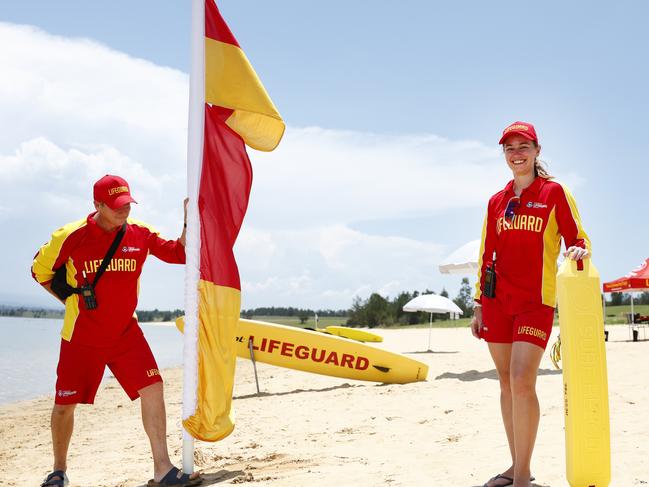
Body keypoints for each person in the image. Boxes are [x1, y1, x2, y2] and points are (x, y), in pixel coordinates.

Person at [31, 175, 202, 487]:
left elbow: (179, 253)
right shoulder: (70, 236)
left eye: (127, 204)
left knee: (153, 388)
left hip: (125, 332)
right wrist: (69, 297)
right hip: (81, 336)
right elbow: (39, 270)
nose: (124, 211)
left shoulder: (140, 234)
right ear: (97, 205)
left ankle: (162, 468)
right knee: (64, 405)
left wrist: (189, 222)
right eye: (116, 206)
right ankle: (58, 471)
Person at [470, 122, 590, 487]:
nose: (516, 153)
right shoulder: (496, 201)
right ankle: (514, 465)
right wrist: (478, 303)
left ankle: (523, 475)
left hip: (535, 302)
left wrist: (578, 250)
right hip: (495, 302)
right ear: (504, 154)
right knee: (506, 383)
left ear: (537, 150)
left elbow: (579, 238)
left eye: (524, 146)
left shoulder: (554, 193)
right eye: (509, 148)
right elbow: (485, 253)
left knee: (523, 380)